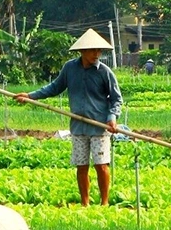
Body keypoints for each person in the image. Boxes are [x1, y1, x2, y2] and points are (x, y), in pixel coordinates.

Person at [14, 29, 123, 206]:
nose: (96, 54)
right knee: (81, 166)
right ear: (82, 51)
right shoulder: (70, 68)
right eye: (92, 51)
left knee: (101, 165)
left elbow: (116, 99)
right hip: (78, 126)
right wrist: (30, 96)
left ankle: (104, 202)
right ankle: (85, 203)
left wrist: (112, 117)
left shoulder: (105, 72)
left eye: (99, 51)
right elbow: (54, 87)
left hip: (100, 126)